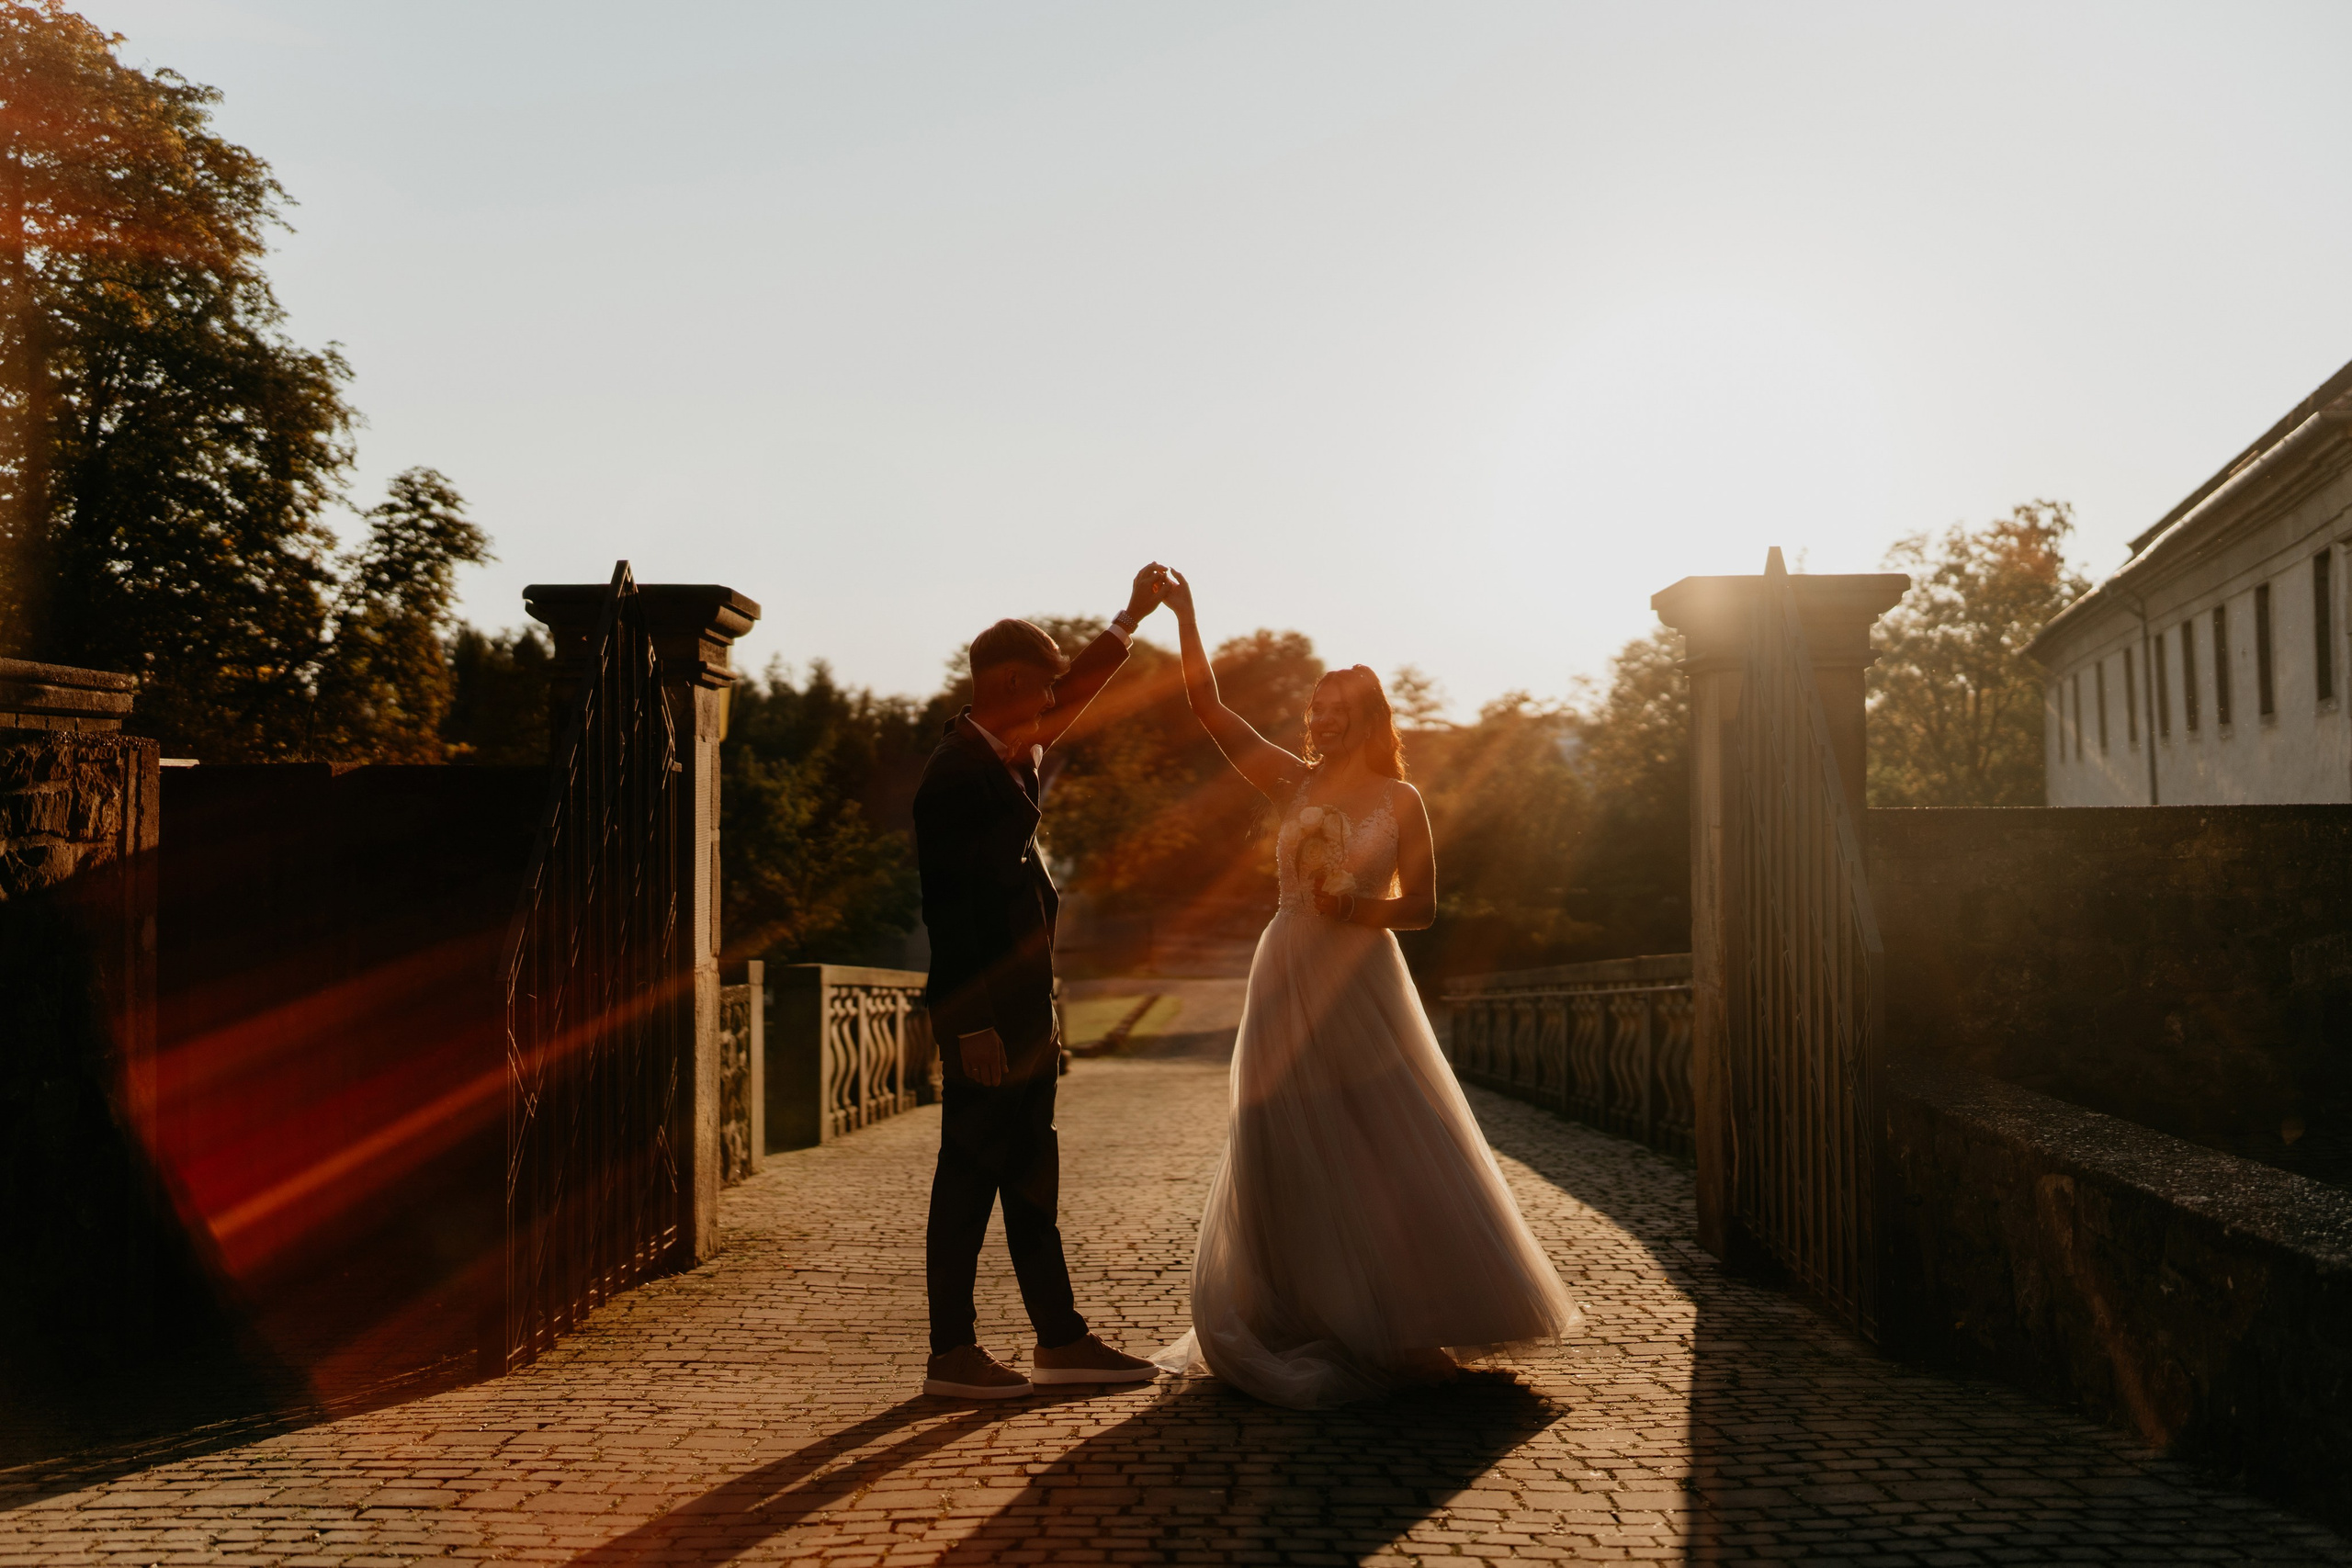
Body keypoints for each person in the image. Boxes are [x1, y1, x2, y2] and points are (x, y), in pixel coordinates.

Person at [1148, 568, 1581, 1408]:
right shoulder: (1291, 782)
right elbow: (1210, 711)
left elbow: (1421, 908)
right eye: (1314, 706)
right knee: (1277, 1135)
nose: (1320, 716)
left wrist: (1360, 904)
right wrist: (1188, 614)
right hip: (1284, 971)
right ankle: (1298, 1308)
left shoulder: (1402, 799)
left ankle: (1398, 1314)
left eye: (1336, 705)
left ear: (1369, 714)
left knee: (1379, 1137)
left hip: (1359, 978)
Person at [913, 564, 1171, 1400]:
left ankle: (1059, 1340)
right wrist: (973, 1024)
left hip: (1025, 1015)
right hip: (987, 1022)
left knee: (1030, 1173)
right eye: (1048, 683)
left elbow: (1080, 695)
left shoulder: (1008, 750)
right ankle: (950, 1355)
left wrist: (1128, 620)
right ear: (1014, 683)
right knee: (966, 1178)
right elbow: (950, 914)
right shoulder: (956, 775)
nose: (1057, 700)